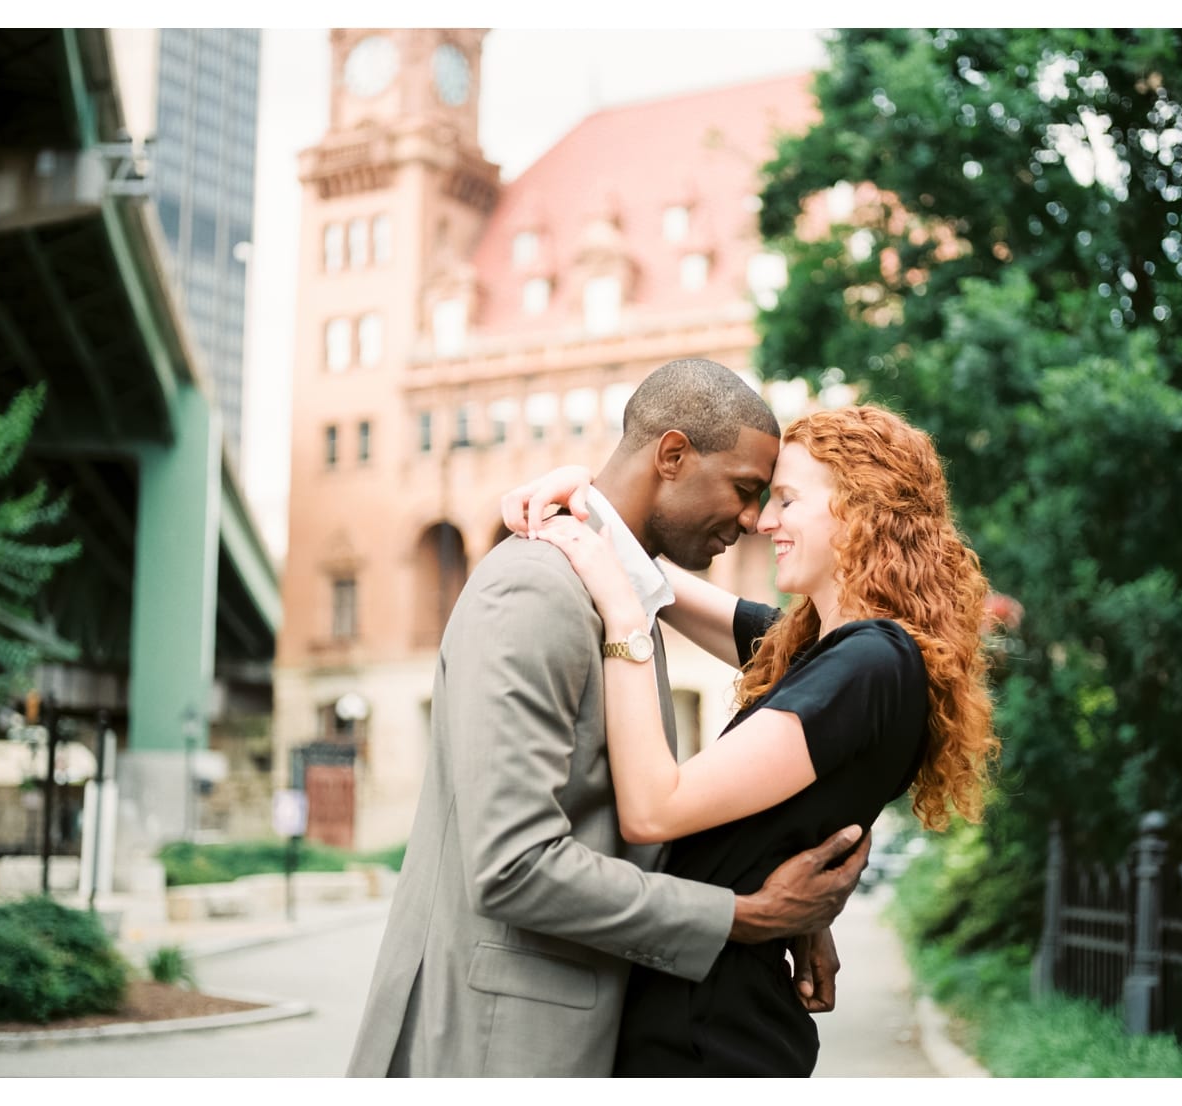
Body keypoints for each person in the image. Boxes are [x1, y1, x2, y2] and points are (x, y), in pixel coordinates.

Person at [346, 359, 870, 1078]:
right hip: (490, 1048)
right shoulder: (535, 590)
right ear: (674, 456)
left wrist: (792, 907)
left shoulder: (620, 595)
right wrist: (744, 916)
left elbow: (623, 835)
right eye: (746, 491)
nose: (754, 522)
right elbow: (512, 866)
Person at [507, 403, 999, 1076]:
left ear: (860, 511)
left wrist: (622, 622)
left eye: (789, 501)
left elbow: (654, 808)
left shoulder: (870, 662)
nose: (764, 522)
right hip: (711, 1019)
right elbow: (658, 581)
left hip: (712, 1040)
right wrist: (582, 495)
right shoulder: (823, 651)